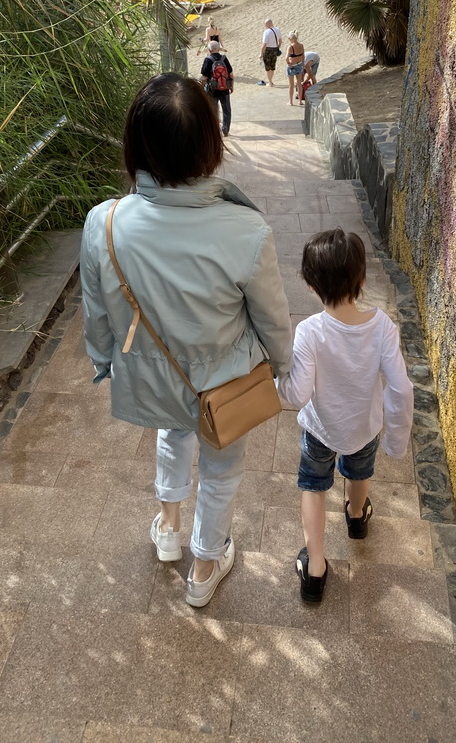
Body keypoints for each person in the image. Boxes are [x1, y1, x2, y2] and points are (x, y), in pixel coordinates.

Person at [81, 74, 293, 608]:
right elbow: (271, 318)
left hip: (153, 376)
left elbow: (98, 312)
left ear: (137, 144)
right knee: (222, 467)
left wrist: (104, 361)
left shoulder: (104, 223)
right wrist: (285, 367)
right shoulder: (247, 230)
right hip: (224, 380)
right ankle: (204, 564)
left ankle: (169, 526)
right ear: (208, 143)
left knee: (173, 433)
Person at [278, 229, 413, 602]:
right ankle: (356, 517)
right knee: (359, 473)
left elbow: (297, 393)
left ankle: (316, 567)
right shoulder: (383, 327)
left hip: (320, 429)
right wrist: (395, 439)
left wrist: (278, 379)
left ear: (310, 285)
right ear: (362, 278)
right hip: (364, 428)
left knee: (313, 486)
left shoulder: (309, 331)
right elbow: (401, 387)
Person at [200, 40, 233, 136]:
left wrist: (202, 88)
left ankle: (215, 130)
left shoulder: (208, 60)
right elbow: (231, 74)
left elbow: (204, 77)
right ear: (218, 48)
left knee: (213, 110)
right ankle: (225, 130)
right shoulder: (224, 58)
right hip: (225, 89)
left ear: (209, 50)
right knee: (227, 110)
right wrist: (231, 86)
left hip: (212, 90)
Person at [259, 18, 282, 87]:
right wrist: (278, 48)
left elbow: (264, 44)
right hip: (275, 49)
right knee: (272, 66)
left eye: (265, 24)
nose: (265, 25)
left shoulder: (267, 32)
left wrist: (261, 53)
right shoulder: (277, 30)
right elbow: (280, 41)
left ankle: (270, 82)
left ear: (268, 24)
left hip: (268, 50)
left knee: (268, 67)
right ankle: (271, 81)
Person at [285, 30, 305, 107]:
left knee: (291, 84)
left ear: (291, 38)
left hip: (292, 65)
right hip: (299, 65)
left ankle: (290, 101)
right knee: (299, 84)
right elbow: (303, 56)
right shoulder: (301, 46)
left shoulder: (290, 47)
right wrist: (302, 64)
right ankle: (300, 101)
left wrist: (288, 64)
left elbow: (286, 58)